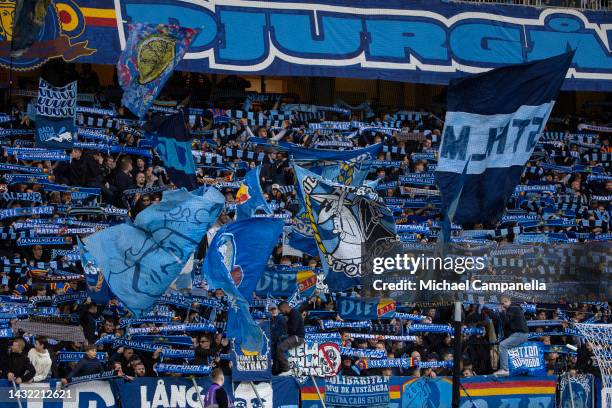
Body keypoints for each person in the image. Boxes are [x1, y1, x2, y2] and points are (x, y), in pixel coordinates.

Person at [494, 296, 529, 376]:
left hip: (520, 334)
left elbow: (506, 320)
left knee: (503, 345)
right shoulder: (511, 309)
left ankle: (505, 369)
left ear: (510, 301)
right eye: (502, 303)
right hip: (518, 334)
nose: (504, 304)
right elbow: (504, 322)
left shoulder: (513, 308)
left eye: (505, 302)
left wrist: (501, 311)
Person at [276, 301, 304, 376]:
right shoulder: (292, 313)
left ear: (284, 307)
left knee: (280, 348)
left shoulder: (294, 313)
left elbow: (293, 329)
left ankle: (286, 369)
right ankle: (281, 369)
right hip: (294, 336)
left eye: (281, 310)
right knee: (279, 343)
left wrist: (286, 322)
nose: (282, 312)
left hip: (297, 337)